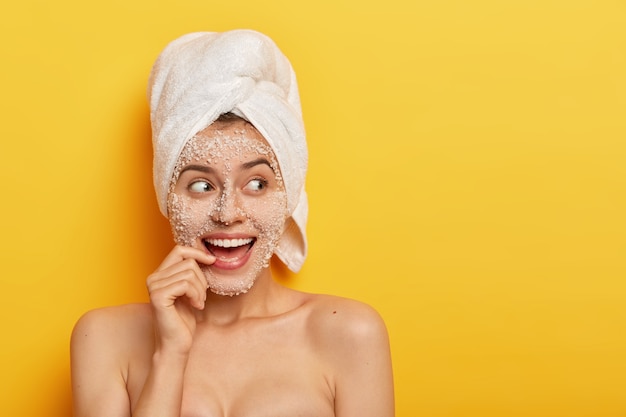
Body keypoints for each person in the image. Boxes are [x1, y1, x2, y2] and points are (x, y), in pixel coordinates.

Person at [70, 29, 394, 417]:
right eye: (202, 185)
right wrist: (170, 354)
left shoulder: (349, 334)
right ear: (167, 197)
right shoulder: (104, 339)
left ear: (288, 194)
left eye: (257, 184)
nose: (227, 213)